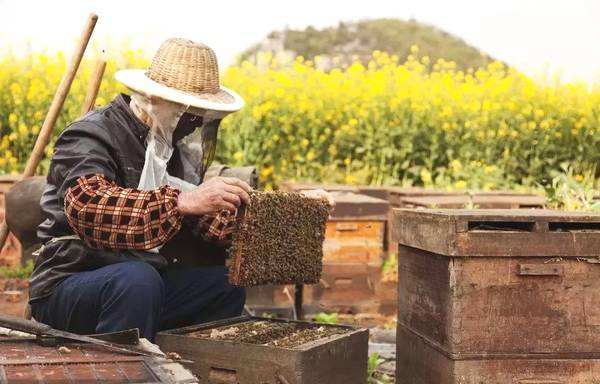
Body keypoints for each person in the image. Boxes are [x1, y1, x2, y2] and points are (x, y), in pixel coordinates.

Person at [28, 38, 330, 341]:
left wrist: (294, 210)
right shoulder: (91, 134)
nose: (195, 122)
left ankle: (199, 369)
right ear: (153, 97)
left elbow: (214, 222)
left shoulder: (172, 150)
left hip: (145, 286)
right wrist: (184, 201)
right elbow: (88, 206)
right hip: (71, 283)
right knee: (138, 280)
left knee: (223, 286)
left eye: (200, 113)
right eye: (188, 110)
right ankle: (122, 371)